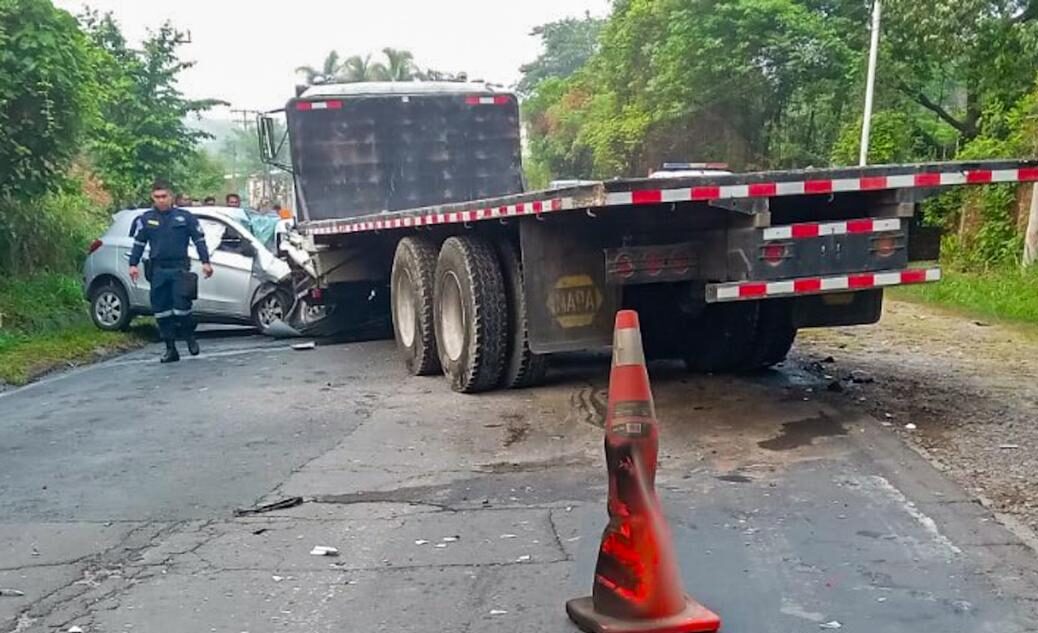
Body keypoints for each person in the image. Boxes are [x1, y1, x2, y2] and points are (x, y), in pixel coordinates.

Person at [129, 181, 214, 363]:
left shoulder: (185, 217)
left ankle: (189, 336)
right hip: (158, 269)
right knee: (161, 311)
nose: (161, 200)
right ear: (152, 198)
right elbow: (138, 243)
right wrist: (133, 265)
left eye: (164, 196)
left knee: (182, 308)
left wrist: (206, 262)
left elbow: (199, 240)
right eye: (157, 197)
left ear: (171, 197)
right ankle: (170, 349)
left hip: (179, 268)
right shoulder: (146, 219)